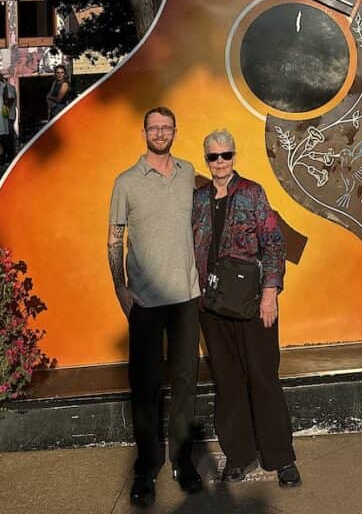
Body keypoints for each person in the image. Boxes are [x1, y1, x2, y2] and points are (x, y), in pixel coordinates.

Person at [192, 129, 301, 488]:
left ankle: (281, 458)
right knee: (228, 383)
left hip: (254, 305)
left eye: (225, 155)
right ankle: (239, 456)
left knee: (264, 380)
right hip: (212, 307)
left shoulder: (253, 193)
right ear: (206, 160)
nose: (220, 162)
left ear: (234, 157)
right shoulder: (198, 199)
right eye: (213, 157)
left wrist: (271, 294)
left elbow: (273, 245)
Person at [108, 106, 202, 507]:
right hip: (145, 301)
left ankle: (183, 460)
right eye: (154, 127)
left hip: (186, 297)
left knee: (185, 384)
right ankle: (147, 466)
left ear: (175, 131)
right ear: (143, 131)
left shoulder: (189, 174)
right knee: (145, 388)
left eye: (166, 127)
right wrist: (121, 289)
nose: (160, 133)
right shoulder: (126, 183)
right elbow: (114, 240)